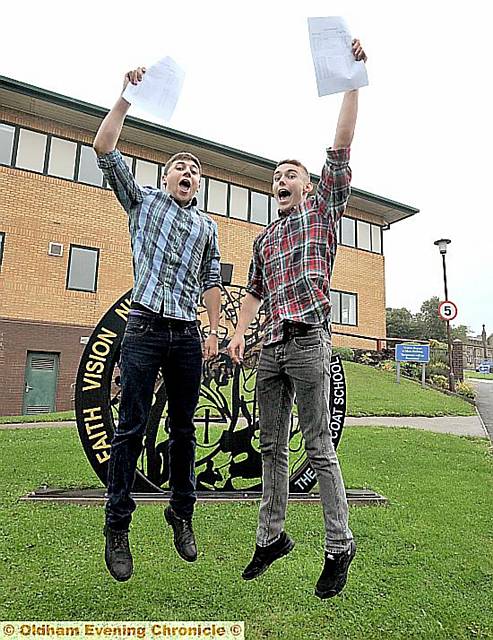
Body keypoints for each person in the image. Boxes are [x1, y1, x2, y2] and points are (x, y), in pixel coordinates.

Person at [228, 40, 367, 599]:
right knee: (270, 449)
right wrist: (239, 335)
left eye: (290, 173)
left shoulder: (322, 212)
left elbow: (341, 145)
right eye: (276, 175)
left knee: (317, 448)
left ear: (306, 185)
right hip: (270, 351)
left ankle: (340, 545)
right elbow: (254, 295)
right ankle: (272, 537)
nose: (281, 178)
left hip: (309, 346)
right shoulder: (264, 239)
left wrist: (352, 78)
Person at [93, 66, 222, 582]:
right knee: (130, 427)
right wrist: (125, 97)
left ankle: (181, 513)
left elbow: (211, 279)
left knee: (185, 429)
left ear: (199, 183)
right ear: (165, 177)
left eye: (194, 169)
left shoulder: (208, 225)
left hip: (187, 336)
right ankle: (117, 525)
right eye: (178, 167)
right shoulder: (142, 202)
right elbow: (104, 147)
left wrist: (213, 329)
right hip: (144, 327)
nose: (187, 172)